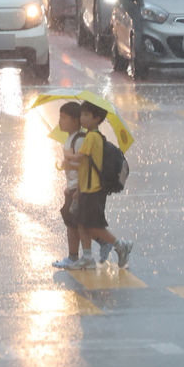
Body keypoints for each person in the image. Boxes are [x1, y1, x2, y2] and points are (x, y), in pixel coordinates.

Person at [67, 101, 133, 270]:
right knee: (82, 222)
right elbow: (85, 165)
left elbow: (79, 158)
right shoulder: (91, 136)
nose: (82, 118)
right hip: (87, 188)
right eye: (81, 115)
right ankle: (87, 256)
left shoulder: (92, 137)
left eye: (86, 115)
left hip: (94, 190)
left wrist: (68, 156)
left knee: (94, 225)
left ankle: (120, 245)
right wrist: (79, 190)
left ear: (97, 118)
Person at [52, 102, 112, 270]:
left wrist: (77, 189)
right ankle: (77, 255)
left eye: (64, 118)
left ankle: (91, 248)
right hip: (72, 187)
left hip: (79, 188)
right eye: (60, 117)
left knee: (79, 224)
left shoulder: (79, 140)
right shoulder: (71, 138)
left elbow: (83, 167)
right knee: (74, 223)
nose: (60, 121)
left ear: (76, 121)